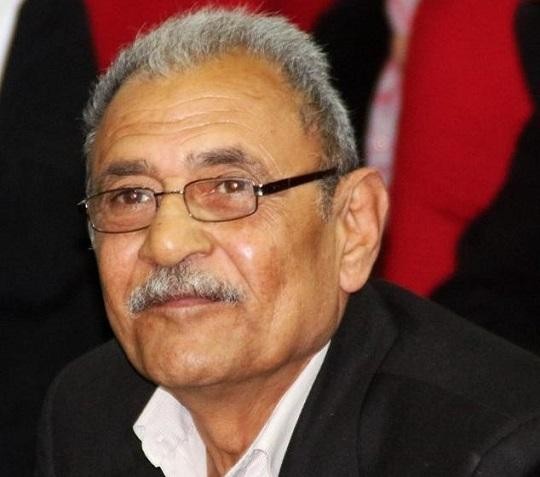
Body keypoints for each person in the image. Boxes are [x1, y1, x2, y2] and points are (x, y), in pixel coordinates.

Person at [36, 8, 540, 476]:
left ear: (353, 226)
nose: (166, 243)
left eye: (230, 188)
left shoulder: (494, 452)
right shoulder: (87, 408)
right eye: (129, 196)